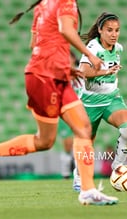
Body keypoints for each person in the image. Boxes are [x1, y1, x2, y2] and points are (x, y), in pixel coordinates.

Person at [0, 0, 118, 206]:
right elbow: (65, 29)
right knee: (79, 130)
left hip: (48, 75)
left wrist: (64, 66)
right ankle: (87, 189)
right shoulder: (67, 0)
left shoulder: (42, 5)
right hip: (46, 76)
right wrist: (89, 55)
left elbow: (35, 43)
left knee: (49, 140)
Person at [72, 12, 127, 192]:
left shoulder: (119, 49)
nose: (114, 34)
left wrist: (109, 74)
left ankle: (117, 168)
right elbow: (83, 72)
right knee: (86, 142)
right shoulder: (93, 47)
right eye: (109, 30)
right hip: (90, 102)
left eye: (117, 30)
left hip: (111, 98)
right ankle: (78, 175)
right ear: (100, 30)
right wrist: (105, 72)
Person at [58, 51, 81, 179]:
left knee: (81, 141)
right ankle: (65, 172)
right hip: (64, 111)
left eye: (69, 57)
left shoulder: (81, 71)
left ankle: (80, 171)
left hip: (79, 111)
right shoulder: (60, 74)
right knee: (67, 144)